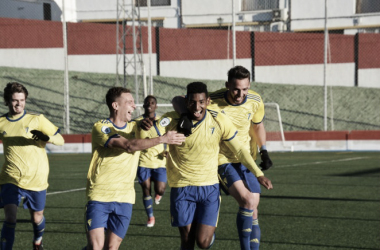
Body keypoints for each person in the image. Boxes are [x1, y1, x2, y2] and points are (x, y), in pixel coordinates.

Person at [141, 82, 272, 250]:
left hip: (209, 188)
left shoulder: (218, 120)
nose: (197, 107)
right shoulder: (172, 119)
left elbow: (239, 149)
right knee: (187, 241)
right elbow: (148, 134)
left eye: (201, 102)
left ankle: (206, 235)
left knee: (203, 242)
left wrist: (258, 173)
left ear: (208, 101)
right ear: (186, 101)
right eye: (193, 102)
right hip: (182, 187)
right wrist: (144, 127)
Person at [83, 87, 185, 250]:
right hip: (100, 196)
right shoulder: (101, 127)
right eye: (129, 102)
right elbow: (128, 145)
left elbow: (175, 105)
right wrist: (163, 139)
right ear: (115, 106)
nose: (135, 106)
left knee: (111, 248)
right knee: (96, 247)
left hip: (125, 198)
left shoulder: (136, 127)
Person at [0, 82, 65, 250]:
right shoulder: (1, 122)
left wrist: (46, 137)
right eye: (15, 100)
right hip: (11, 177)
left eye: (22, 100)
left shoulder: (37, 119)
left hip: (37, 178)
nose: (18, 104)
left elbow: (60, 140)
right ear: (7, 101)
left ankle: (37, 240)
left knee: (37, 218)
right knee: (10, 217)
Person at [133, 95, 167, 227]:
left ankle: (159, 194)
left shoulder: (163, 121)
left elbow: (168, 137)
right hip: (143, 162)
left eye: (152, 103)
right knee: (146, 190)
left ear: (156, 106)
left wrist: (168, 150)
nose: (149, 105)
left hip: (159, 162)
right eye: (147, 103)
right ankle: (150, 217)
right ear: (143, 105)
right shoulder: (136, 122)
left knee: (161, 189)